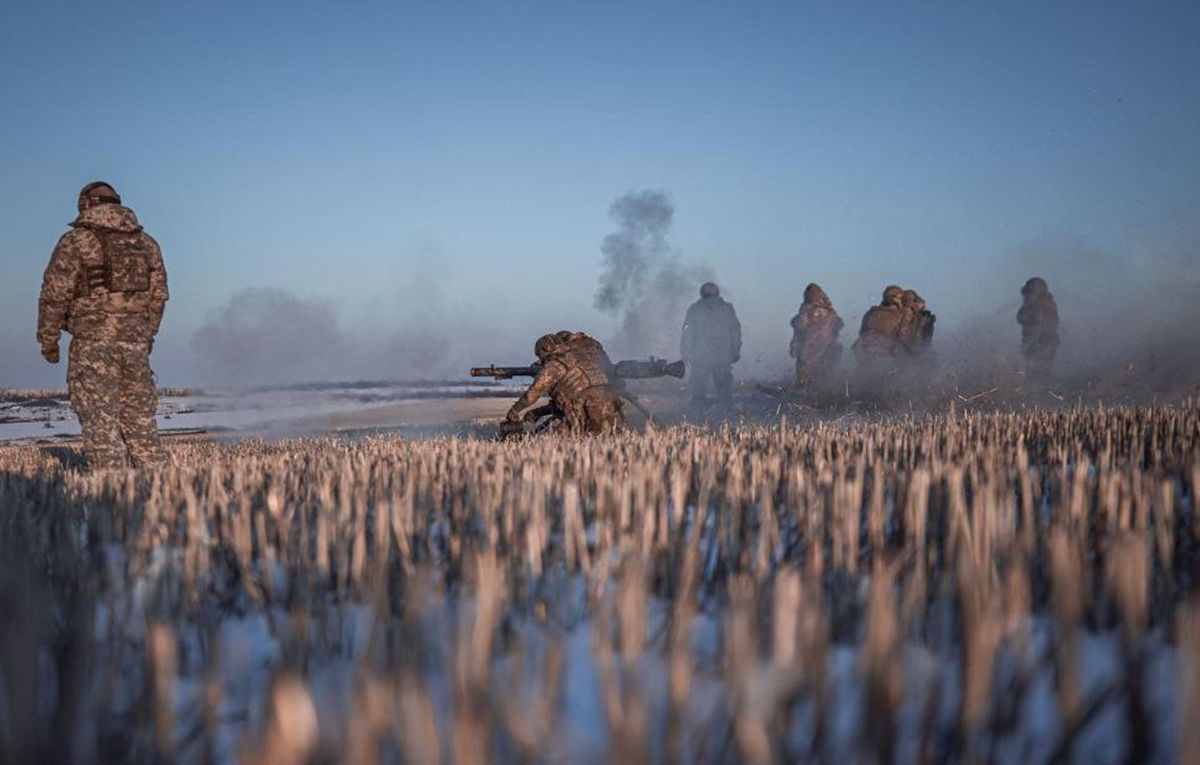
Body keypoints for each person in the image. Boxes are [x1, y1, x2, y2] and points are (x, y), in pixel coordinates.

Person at [38, 181, 168, 469]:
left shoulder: (75, 241)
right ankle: (161, 492)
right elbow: (159, 297)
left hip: (92, 344)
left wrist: (48, 340)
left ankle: (113, 495)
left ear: (86, 205)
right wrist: (145, 336)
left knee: (100, 419)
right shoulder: (147, 244)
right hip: (135, 347)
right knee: (140, 420)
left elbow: (54, 294)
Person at [503, 332, 624, 435]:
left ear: (544, 351)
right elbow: (569, 398)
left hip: (587, 409)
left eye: (539, 355)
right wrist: (539, 412)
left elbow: (531, 396)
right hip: (607, 403)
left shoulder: (553, 366)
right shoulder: (579, 357)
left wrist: (514, 412)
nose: (540, 360)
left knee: (558, 444)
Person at [680, 282, 742, 405]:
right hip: (722, 357)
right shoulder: (727, 308)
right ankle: (727, 420)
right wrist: (735, 351)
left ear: (702, 293)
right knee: (724, 394)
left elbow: (687, 332)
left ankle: (696, 420)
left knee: (698, 395)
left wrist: (685, 352)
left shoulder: (695, 309)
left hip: (700, 358)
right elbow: (736, 331)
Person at [789, 283, 843, 388]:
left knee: (805, 366)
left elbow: (800, 324)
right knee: (824, 371)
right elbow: (838, 325)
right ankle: (819, 391)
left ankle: (804, 391)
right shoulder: (831, 312)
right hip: (826, 344)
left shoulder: (807, 308)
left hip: (812, 344)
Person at [1017, 277, 1060, 381]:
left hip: (1042, 342)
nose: (1029, 295)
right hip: (1035, 343)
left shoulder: (1043, 304)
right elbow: (1020, 318)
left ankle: (1040, 392)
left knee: (1039, 372)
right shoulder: (1032, 304)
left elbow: (1038, 319)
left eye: (1031, 292)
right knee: (1034, 372)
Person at [897, 289, 936, 357]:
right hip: (917, 351)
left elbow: (903, 334)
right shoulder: (924, 316)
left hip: (911, 351)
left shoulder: (907, 312)